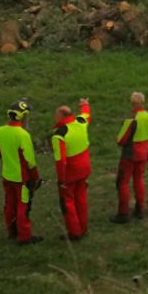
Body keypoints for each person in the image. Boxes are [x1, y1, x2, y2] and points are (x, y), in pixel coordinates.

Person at [0, 100, 43, 245]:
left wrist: (2, 154)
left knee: (9, 204)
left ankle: (11, 231)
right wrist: (35, 178)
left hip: (7, 175)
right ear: (23, 117)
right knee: (23, 206)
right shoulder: (22, 134)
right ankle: (25, 236)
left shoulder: (1, 130)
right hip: (22, 178)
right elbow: (30, 161)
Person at [52, 98, 93, 241]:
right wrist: (84, 104)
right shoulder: (81, 122)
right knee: (81, 198)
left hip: (70, 173)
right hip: (85, 169)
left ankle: (74, 232)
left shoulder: (59, 135)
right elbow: (87, 114)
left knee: (68, 202)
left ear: (60, 116)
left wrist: (61, 180)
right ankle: (84, 228)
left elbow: (60, 161)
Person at [112, 91, 148, 224]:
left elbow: (121, 140)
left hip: (130, 155)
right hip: (143, 153)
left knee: (123, 182)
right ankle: (140, 209)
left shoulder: (131, 120)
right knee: (139, 180)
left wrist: (117, 138)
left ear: (132, 103)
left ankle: (123, 213)